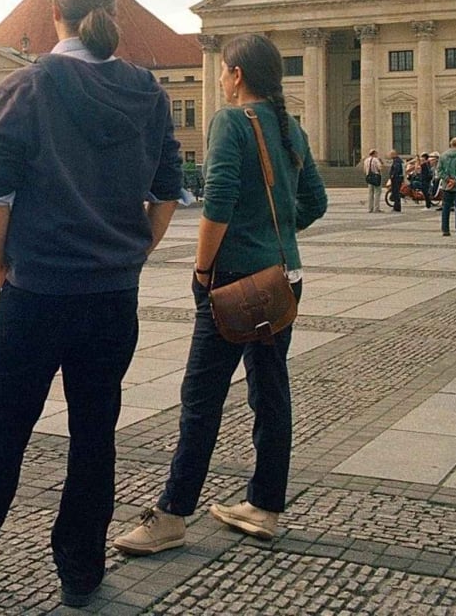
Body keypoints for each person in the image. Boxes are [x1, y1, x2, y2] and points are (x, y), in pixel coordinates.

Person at [0, 0, 182, 608]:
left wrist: (2, 264)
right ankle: (81, 571)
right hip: (112, 296)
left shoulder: (28, 85)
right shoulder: (146, 91)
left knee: (1, 427)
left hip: (38, 291)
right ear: (110, 9)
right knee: (95, 431)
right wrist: (134, 249)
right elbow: (167, 191)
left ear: (56, 12)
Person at [115, 32, 326, 556]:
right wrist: (274, 236)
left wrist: (202, 269)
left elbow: (219, 203)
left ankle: (171, 514)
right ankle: (264, 505)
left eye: (223, 71)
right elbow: (315, 201)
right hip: (282, 279)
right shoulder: (291, 127)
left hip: (234, 283)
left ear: (234, 74)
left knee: (200, 399)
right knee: (271, 393)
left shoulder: (231, 121)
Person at [363, 148, 383, 212]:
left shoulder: (366, 160)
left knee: (370, 193)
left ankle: (370, 208)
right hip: (376, 177)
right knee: (377, 192)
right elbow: (380, 168)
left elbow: (364, 169)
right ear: (374, 153)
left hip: (369, 177)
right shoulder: (376, 160)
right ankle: (376, 208)